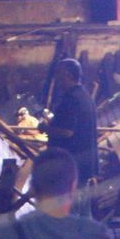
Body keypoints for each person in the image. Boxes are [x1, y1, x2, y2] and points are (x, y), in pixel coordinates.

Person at [44, 58, 99, 188]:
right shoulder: (85, 96)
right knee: (80, 206)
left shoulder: (71, 99)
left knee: (70, 206)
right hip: (81, 165)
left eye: (58, 73)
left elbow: (67, 132)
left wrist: (45, 128)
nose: (56, 78)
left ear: (67, 75)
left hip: (70, 165)